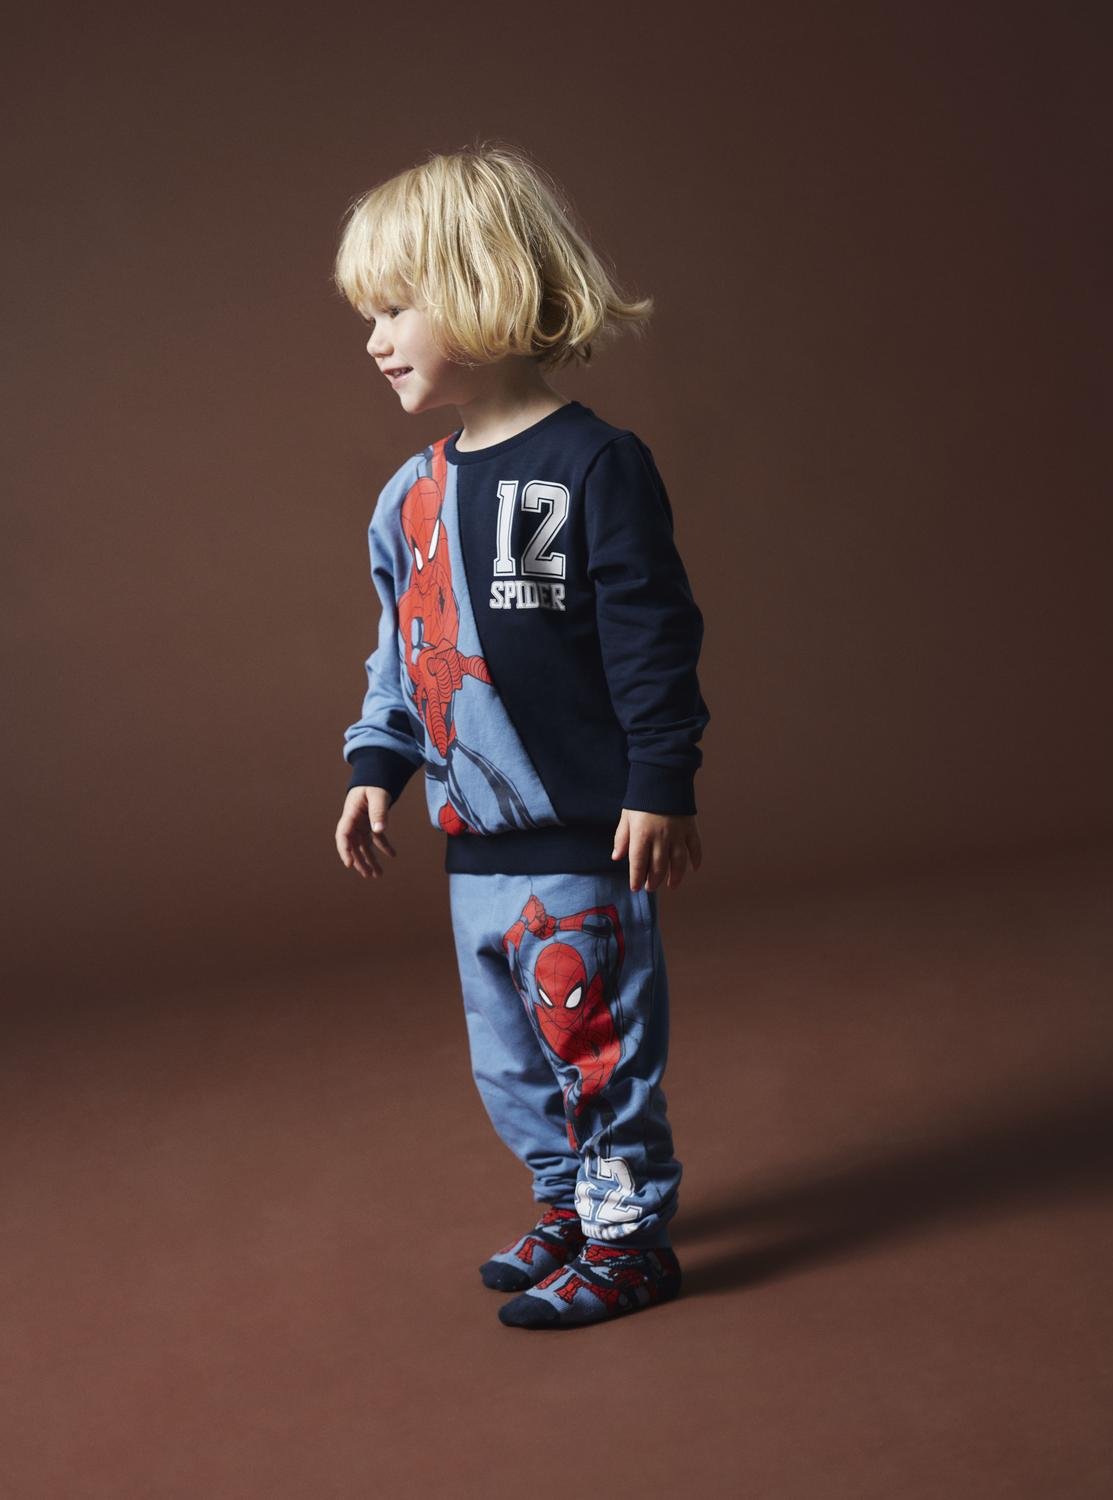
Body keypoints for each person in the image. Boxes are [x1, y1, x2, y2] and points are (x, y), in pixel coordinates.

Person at [332, 142, 710, 1329]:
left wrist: (661, 781)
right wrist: (377, 764)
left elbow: (653, 640)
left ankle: (629, 1238)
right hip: (474, 850)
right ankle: (569, 1205)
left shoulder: (594, 466)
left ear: (485, 288)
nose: (376, 339)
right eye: (368, 315)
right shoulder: (409, 497)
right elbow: (401, 650)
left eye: (396, 308)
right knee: (509, 1061)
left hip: (581, 841)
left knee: (592, 1045)